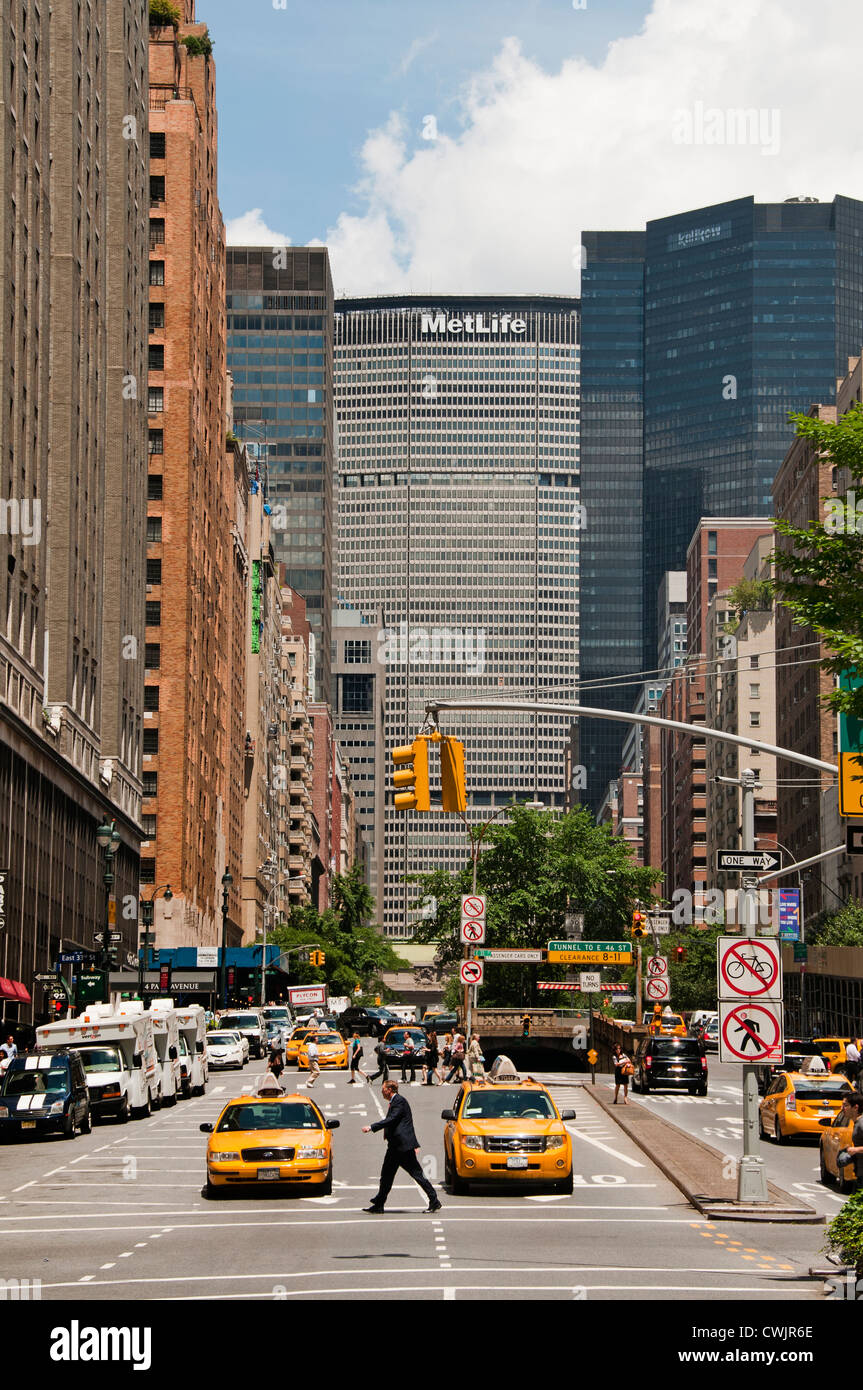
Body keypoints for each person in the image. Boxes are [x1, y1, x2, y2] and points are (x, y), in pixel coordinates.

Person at [361, 1080, 442, 1213]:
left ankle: (434, 1200)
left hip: (402, 1147)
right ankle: (379, 1203)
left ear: (390, 1089)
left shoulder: (399, 1101)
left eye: (383, 1089)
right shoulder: (395, 1101)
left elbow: (392, 1119)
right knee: (386, 1174)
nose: (381, 1091)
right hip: (395, 1146)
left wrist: (371, 1127)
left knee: (416, 1174)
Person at [841, 1091, 863, 1186]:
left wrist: (855, 1149)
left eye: (845, 1105)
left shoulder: (861, 1124)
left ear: (855, 1107)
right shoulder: (857, 1123)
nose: (842, 1109)